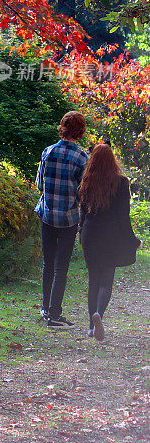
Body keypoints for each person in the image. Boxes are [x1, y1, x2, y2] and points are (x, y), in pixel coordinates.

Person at [79, 143, 142, 341]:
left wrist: (81, 233)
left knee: (93, 281)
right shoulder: (121, 182)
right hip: (110, 236)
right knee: (106, 281)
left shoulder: (87, 180)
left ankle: (91, 326)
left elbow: (82, 212)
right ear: (112, 160)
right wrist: (133, 240)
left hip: (90, 234)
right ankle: (99, 315)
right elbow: (124, 217)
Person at [35, 111, 88, 328]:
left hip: (47, 214)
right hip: (68, 218)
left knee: (48, 264)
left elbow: (39, 185)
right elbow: (82, 193)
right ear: (80, 131)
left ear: (62, 127)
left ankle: (46, 309)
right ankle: (55, 315)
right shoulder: (82, 158)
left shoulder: (47, 152)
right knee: (61, 267)